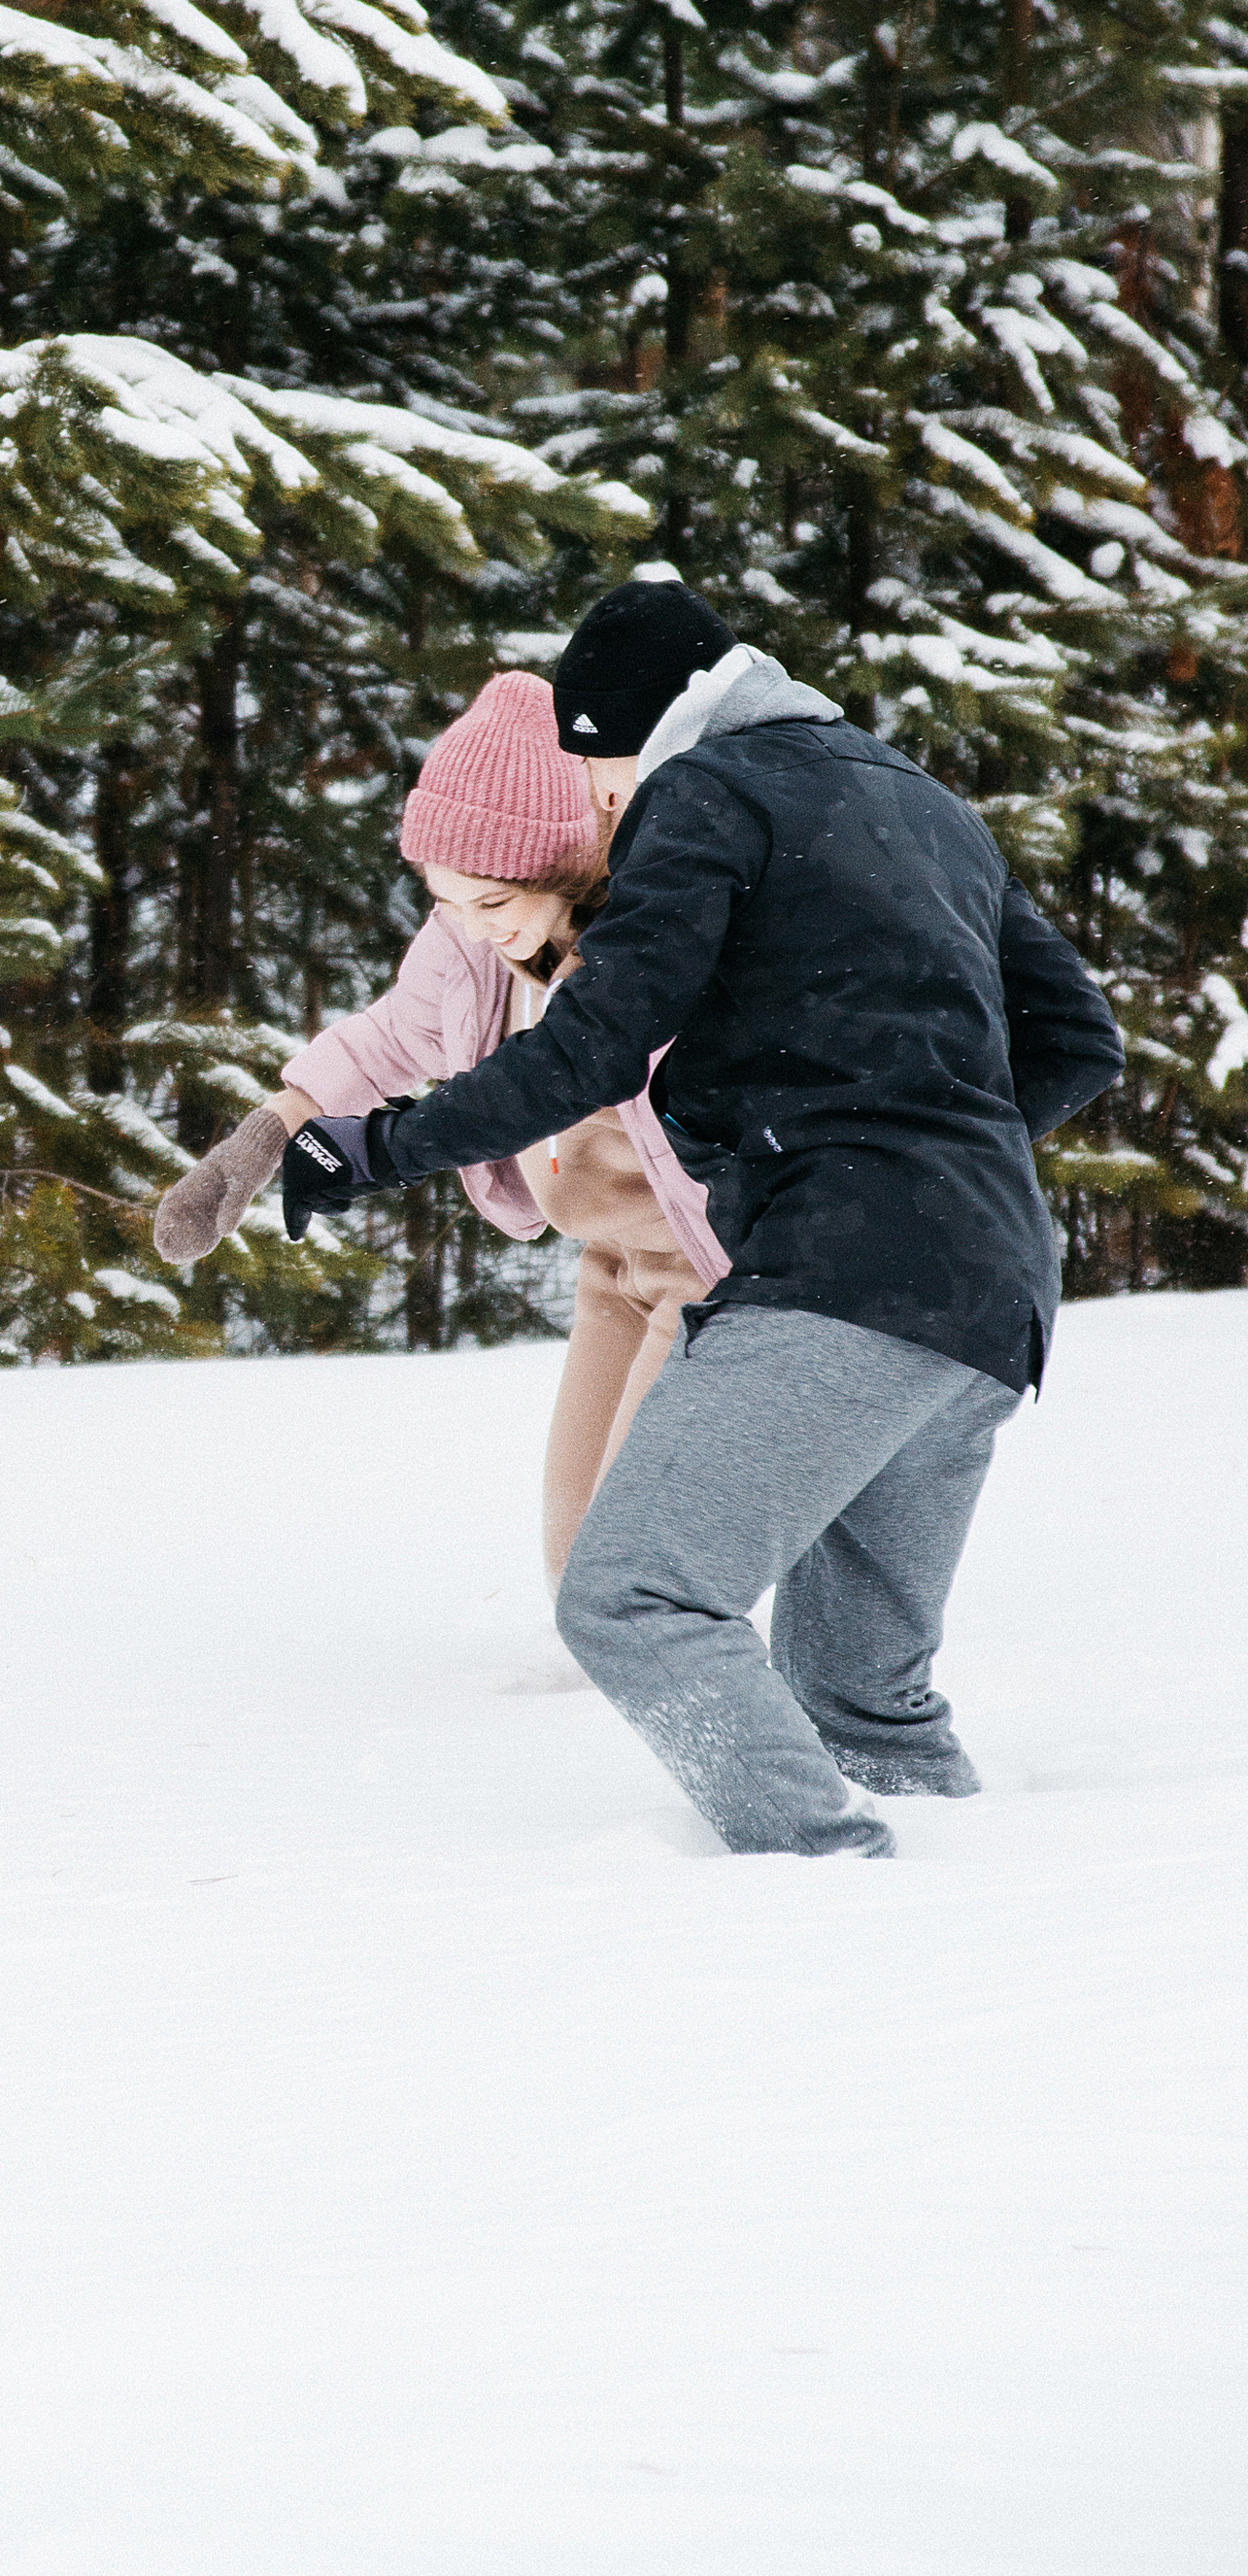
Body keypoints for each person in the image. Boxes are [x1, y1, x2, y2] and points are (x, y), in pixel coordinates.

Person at [281, 575, 1126, 1860]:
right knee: (865, 1710)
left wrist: (372, 1146)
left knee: (630, 1592)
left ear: (636, 736)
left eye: (600, 777)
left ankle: (823, 1871)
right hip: (990, 1295)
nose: (604, 811)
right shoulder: (918, 797)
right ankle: (938, 1940)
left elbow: (589, 1049)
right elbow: (1078, 1037)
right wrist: (937, 1147)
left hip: (839, 1282)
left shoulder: (703, 792)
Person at [152, 668, 728, 1587]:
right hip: (608, 1268)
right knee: (576, 1562)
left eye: (493, 903)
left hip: (704, 1269)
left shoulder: (650, 945)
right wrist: (270, 1128)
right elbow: (391, 1034)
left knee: (636, 1576)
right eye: (447, 902)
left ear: (564, 862)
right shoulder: (469, 940)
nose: (472, 929)